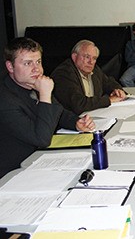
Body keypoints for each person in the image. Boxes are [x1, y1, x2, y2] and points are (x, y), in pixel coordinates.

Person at [0, 37, 95, 178]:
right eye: (27, 63)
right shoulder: (5, 100)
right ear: (10, 67)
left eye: (38, 61)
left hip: (39, 160)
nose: (36, 68)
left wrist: (76, 122)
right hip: (14, 172)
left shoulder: (33, 84)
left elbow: (59, 113)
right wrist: (45, 95)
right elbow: (42, 139)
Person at [51, 39, 127, 115]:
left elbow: (108, 82)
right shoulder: (63, 73)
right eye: (87, 57)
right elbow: (78, 104)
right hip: (73, 121)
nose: (91, 62)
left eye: (94, 58)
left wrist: (117, 91)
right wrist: (109, 100)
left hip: (94, 116)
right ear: (74, 57)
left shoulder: (94, 69)